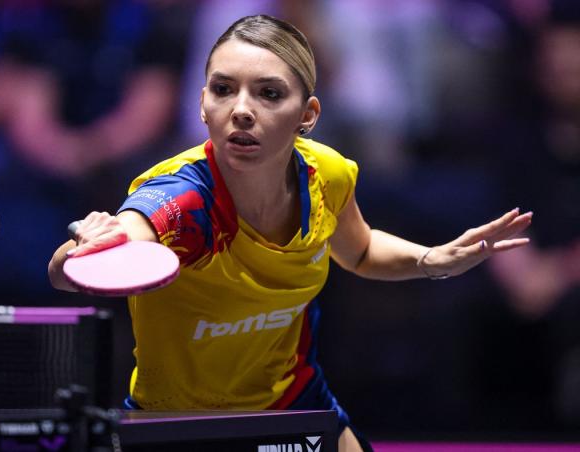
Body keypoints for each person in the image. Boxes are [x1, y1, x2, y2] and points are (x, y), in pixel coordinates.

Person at [48, 15, 532, 451]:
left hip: (290, 403)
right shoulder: (184, 198)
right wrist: (89, 249)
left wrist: (429, 260)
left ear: (308, 115)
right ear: (202, 104)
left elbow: (360, 250)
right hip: (178, 423)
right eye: (223, 89)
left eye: (269, 93)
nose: (241, 109)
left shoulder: (327, 175)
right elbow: (87, 261)